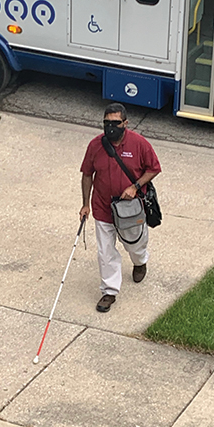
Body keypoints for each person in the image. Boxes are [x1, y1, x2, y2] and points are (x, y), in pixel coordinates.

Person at [79, 103, 161, 313]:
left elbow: (154, 169)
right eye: (106, 123)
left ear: (125, 123)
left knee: (134, 244)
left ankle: (140, 261)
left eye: (115, 123)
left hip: (130, 209)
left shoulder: (139, 144)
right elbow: (87, 174)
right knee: (105, 252)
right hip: (103, 207)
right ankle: (109, 291)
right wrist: (85, 204)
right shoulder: (95, 145)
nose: (110, 127)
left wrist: (135, 187)